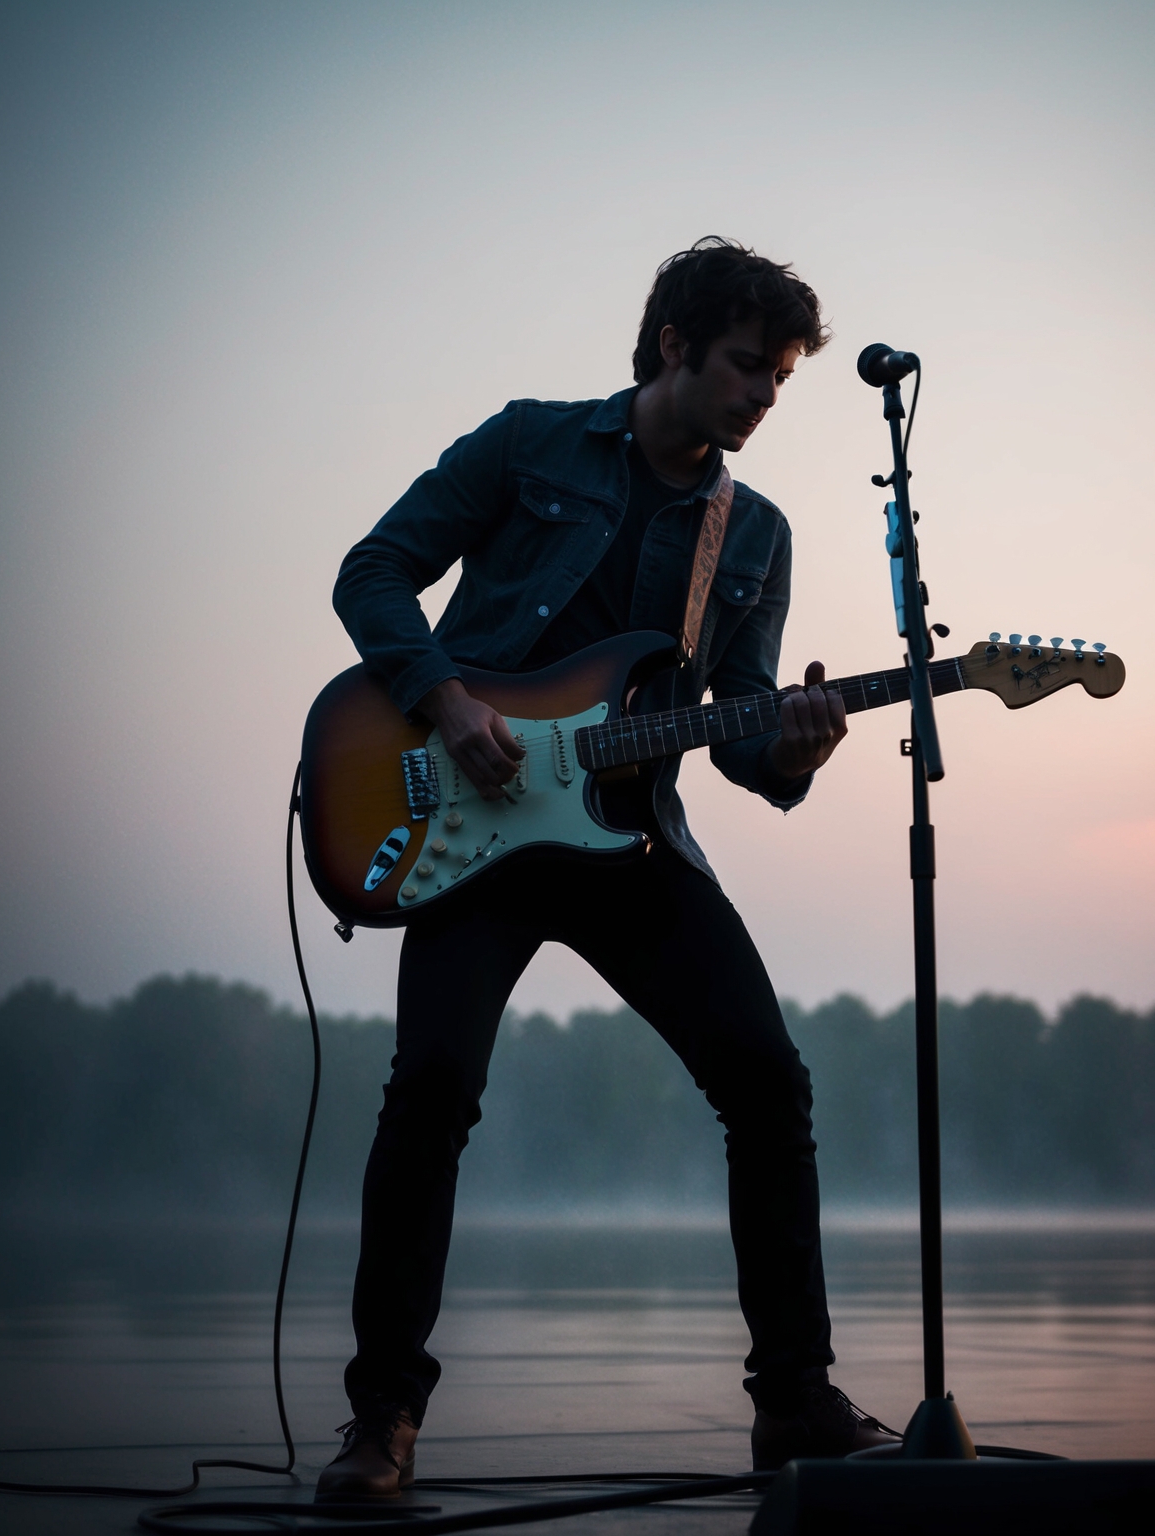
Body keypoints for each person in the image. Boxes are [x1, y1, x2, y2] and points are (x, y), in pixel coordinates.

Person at [318, 237, 901, 1499]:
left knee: (766, 1081)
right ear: (675, 344)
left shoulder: (753, 534)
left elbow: (742, 733)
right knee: (432, 1093)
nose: (764, 397)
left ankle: (794, 1402)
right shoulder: (530, 444)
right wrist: (445, 699)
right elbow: (372, 573)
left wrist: (796, 748)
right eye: (749, 365)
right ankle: (382, 1422)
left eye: (785, 379)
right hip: (470, 831)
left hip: (630, 842)